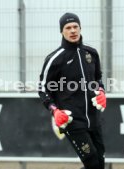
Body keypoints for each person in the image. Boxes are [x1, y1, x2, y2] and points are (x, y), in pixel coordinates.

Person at [38, 12, 107, 169]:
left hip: (94, 118)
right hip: (72, 121)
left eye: (75, 26)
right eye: (68, 27)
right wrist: (54, 110)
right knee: (92, 163)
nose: (73, 30)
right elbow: (43, 89)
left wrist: (102, 92)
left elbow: (98, 79)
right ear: (62, 31)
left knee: (100, 162)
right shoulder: (54, 59)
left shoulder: (91, 53)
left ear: (80, 28)